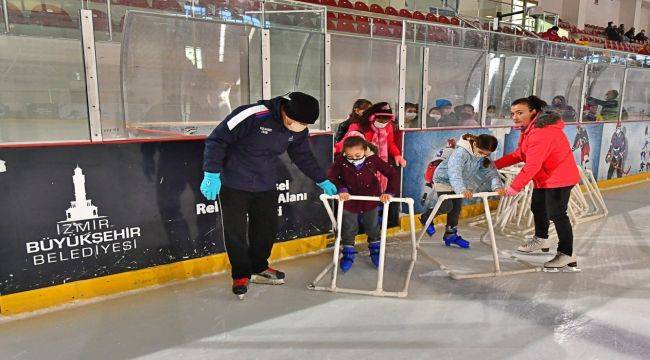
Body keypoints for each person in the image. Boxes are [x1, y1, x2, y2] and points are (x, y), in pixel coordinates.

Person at [201, 92, 338, 297]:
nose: (301, 127)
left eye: (305, 124)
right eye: (298, 122)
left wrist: (321, 179)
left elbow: (302, 155)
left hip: (265, 183)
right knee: (235, 232)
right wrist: (211, 173)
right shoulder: (253, 115)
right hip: (235, 183)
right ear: (286, 111)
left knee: (266, 229)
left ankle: (259, 267)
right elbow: (217, 140)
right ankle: (240, 273)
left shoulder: (297, 128)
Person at [494, 96, 580, 272]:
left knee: (557, 214)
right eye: (512, 114)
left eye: (520, 113)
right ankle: (542, 239)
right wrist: (494, 165)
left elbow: (533, 164)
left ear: (533, 112)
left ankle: (567, 253)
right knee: (538, 207)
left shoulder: (542, 131)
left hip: (559, 178)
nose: (515, 117)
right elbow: (519, 154)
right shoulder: (529, 129)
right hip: (545, 177)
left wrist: (514, 187)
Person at [419, 134, 505, 249]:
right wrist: (461, 189)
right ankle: (426, 216)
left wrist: (497, 187)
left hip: (459, 183)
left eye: (487, 154)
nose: (483, 155)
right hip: (444, 180)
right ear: (475, 144)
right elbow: (454, 172)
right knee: (446, 206)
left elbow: (491, 172)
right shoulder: (461, 153)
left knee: (456, 209)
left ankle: (451, 234)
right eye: (481, 152)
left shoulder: (482, 156)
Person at [327, 136, 399, 272]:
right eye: (349, 155)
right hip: (349, 201)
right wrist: (341, 189)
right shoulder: (341, 162)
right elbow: (332, 176)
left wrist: (389, 192)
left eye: (357, 155)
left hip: (370, 200)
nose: (353, 158)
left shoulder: (373, 160)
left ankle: (375, 250)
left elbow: (392, 174)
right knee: (349, 227)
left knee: (372, 226)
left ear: (365, 151)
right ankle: (348, 253)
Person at [335, 102, 407, 190]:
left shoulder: (388, 127)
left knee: (380, 187)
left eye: (386, 121)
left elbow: (390, 143)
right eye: (380, 121)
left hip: (380, 164)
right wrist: (335, 148)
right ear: (371, 117)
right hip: (361, 164)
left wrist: (397, 154)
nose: (383, 123)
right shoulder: (358, 127)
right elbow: (347, 142)